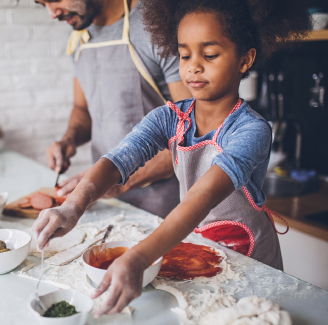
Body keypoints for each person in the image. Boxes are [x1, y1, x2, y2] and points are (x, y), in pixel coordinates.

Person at [33, 0, 307, 318]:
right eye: (185, 54)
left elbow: (201, 197)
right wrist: (73, 206)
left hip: (251, 254)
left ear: (245, 59)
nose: (193, 67)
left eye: (210, 54)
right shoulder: (170, 117)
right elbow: (121, 158)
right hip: (201, 244)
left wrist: (137, 258)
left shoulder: (251, 130)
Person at [38, 0, 191, 217]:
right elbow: (83, 108)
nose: (51, 13)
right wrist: (69, 140)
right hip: (105, 200)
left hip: (163, 205)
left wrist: (116, 181)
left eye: (54, 0)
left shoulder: (155, 24)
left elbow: (193, 132)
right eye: (40, 4)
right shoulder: (80, 35)